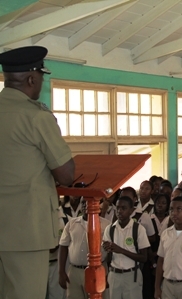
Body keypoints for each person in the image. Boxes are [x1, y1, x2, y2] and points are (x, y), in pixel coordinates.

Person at [0, 46, 75, 298]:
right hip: (26, 231)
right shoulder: (36, 118)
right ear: (32, 78)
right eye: (42, 77)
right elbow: (66, 175)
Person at [59, 197, 111, 299]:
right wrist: (61, 272)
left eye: (89, 202)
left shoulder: (106, 225)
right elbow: (63, 246)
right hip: (74, 271)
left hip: (98, 270)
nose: (85, 205)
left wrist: (107, 273)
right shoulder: (71, 224)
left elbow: (111, 251)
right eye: (83, 202)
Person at [102, 196, 150, 299]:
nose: (119, 211)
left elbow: (144, 258)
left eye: (124, 208)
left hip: (132, 275)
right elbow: (109, 257)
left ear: (131, 211)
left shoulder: (138, 229)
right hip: (114, 274)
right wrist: (106, 249)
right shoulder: (110, 229)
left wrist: (121, 250)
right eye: (118, 208)